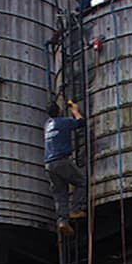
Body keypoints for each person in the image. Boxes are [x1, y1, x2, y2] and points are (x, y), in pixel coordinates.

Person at [44, 100, 87, 236]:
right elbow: (81, 123)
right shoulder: (63, 122)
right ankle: (75, 209)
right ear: (59, 112)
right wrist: (74, 110)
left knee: (60, 194)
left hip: (49, 165)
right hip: (61, 161)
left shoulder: (47, 125)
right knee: (81, 182)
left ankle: (62, 221)